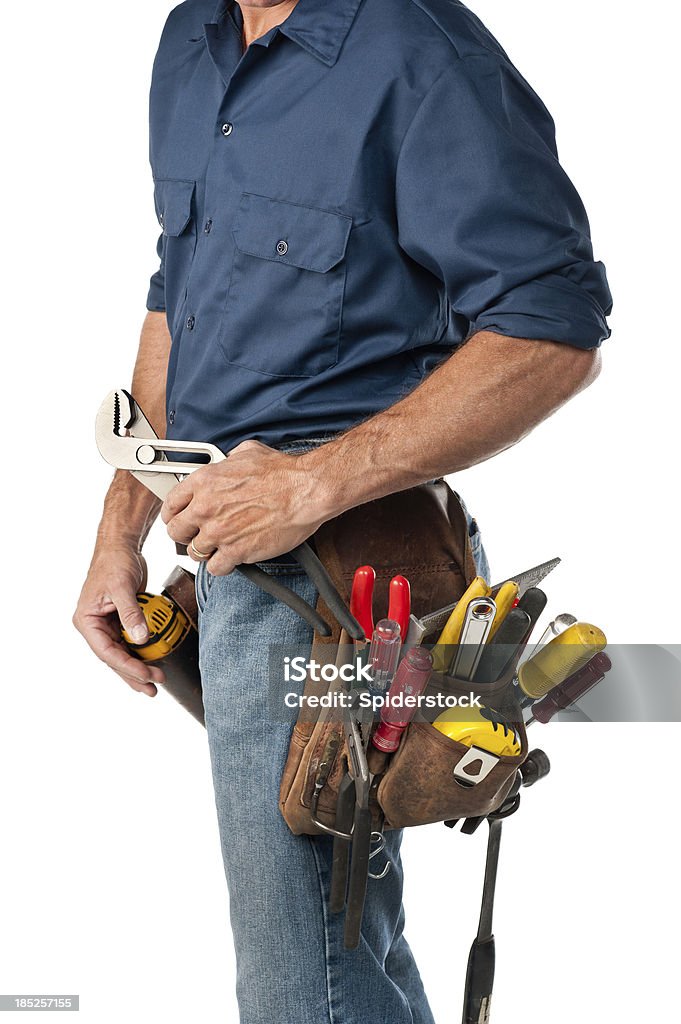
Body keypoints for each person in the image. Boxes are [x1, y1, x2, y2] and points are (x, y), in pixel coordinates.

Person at [74, 1, 611, 1021]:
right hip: (229, 572)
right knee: (335, 957)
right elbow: (177, 295)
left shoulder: (421, 52)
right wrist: (119, 531)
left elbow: (553, 332)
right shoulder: (193, 41)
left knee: (299, 987)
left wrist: (311, 483)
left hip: (340, 591)